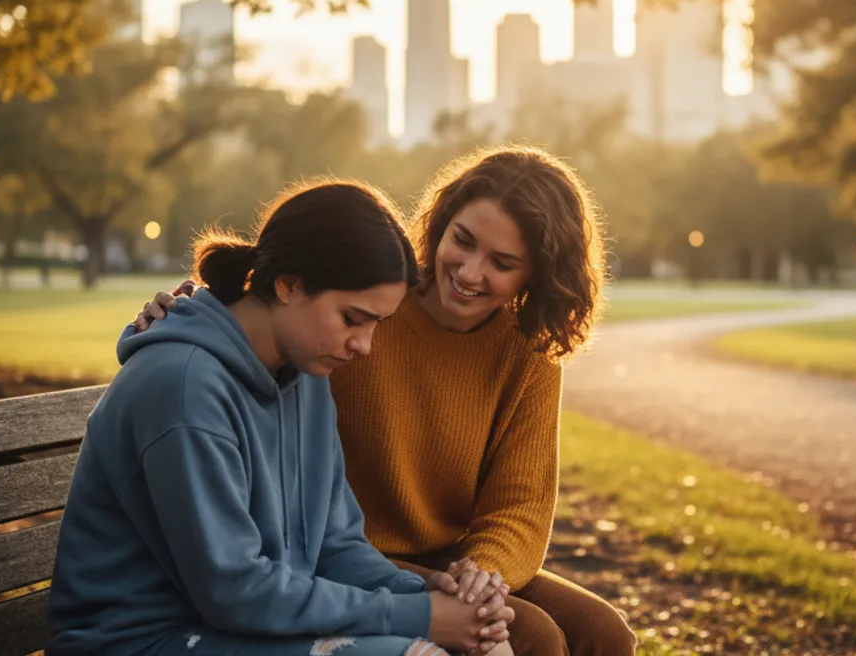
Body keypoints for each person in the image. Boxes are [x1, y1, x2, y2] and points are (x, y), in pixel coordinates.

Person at [134, 146, 636, 656]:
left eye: (502, 263)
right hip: (347, 548)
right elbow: (272, 300)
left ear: (537, 274)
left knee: (603, 633)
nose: (469, 271)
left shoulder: (527, 349)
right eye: (462, 240)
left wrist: (481, 575)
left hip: (449, 557)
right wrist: (177, 316)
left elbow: (521, 502)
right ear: (441, 223)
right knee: (533, 636)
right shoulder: (372, 302)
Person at [48, 180, 516, 656]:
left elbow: (336, 548)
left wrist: (438, 600)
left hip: (239, 625)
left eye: (378, 323)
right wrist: (422, 618)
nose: (365, 345)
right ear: (289, 284)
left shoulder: (306, 375)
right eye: (353, 318)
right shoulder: (183, 388)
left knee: (487, 646)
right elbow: (234, 590)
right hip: (141, 641)